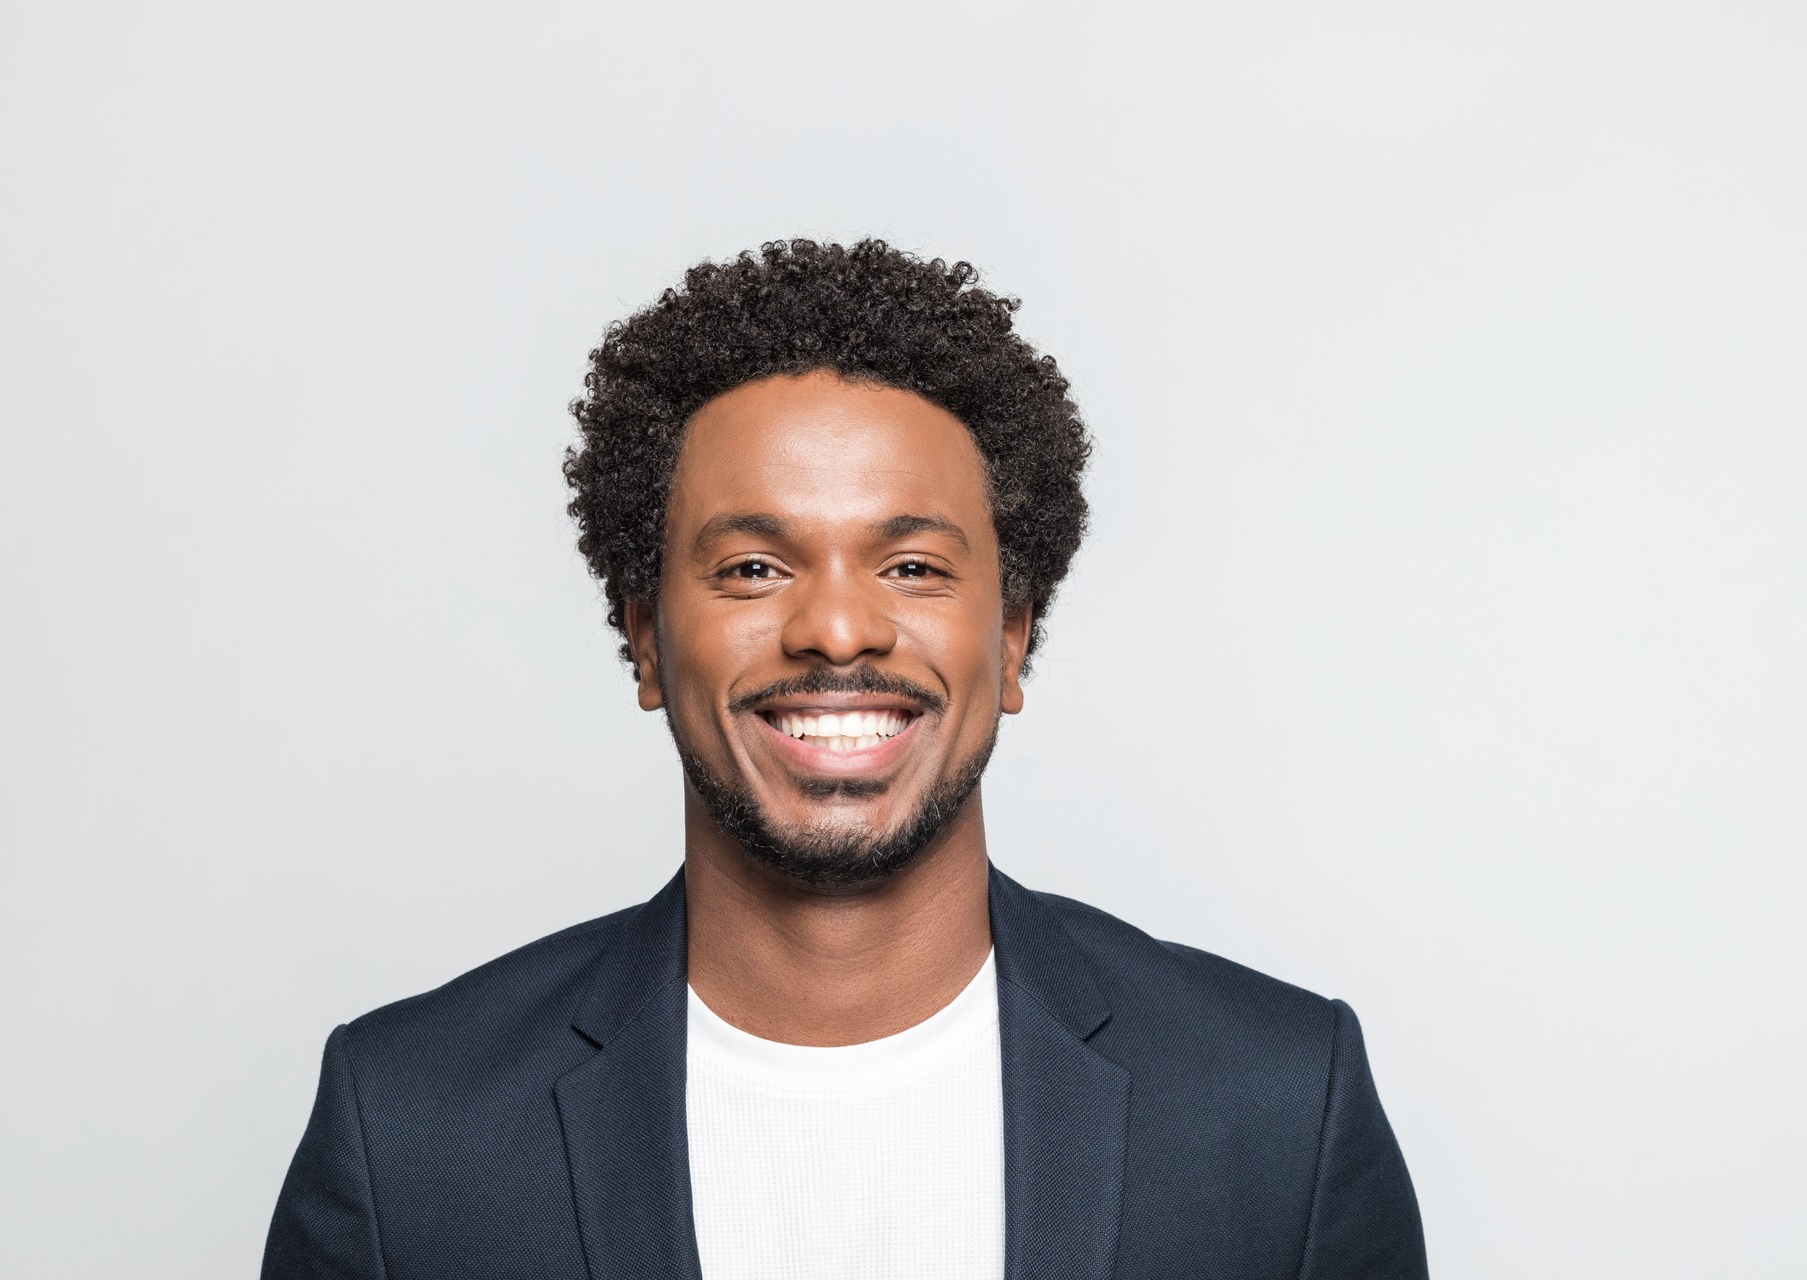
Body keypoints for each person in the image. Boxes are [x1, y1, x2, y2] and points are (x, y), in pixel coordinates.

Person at [260, 239, 1428, 1279]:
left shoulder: (1275, 1107)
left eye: (913, 565)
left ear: (1013, 637)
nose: (835, 627)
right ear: (644, 638)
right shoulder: (411, 1131)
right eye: (754, 568)